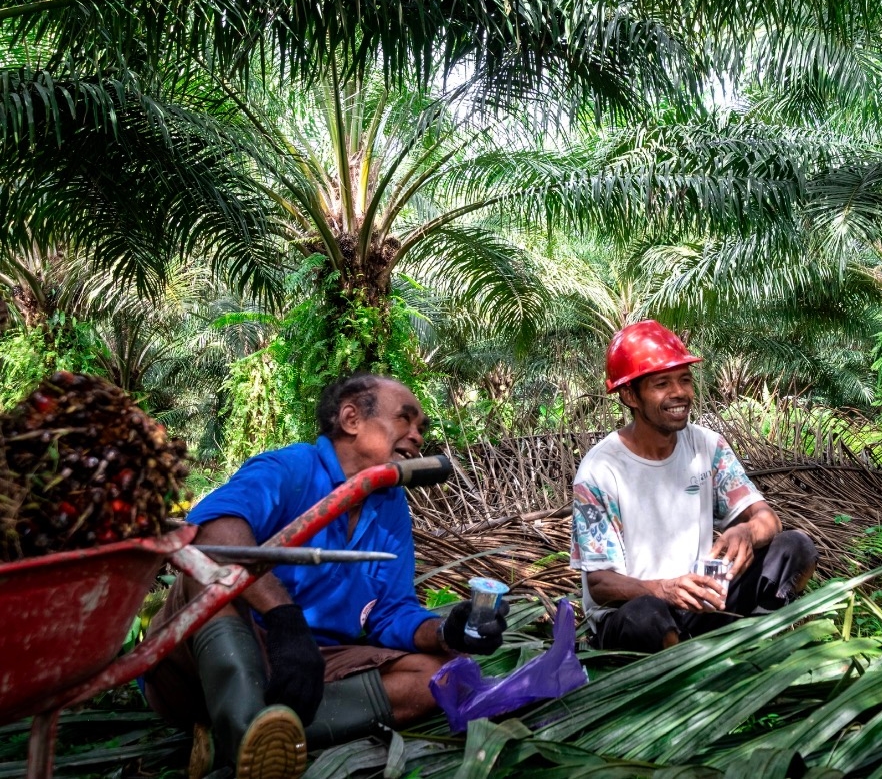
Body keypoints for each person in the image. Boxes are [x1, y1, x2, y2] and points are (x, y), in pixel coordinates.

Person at [144, 375, 507, 779]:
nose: (417, 436)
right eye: (405, 420)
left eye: (421, 428)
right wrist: (284, 617)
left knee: (441, 676)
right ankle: (246, 737)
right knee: (210, 578)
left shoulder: (389, 505)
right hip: (203, 667)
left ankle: (258, 740)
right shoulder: (289, 468)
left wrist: (445, 632)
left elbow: (390, 613)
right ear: (351, 418)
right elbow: (210, 535)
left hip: (307, 669)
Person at [570, 319, 819, 653]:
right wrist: (663, 589)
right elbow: (599, 584)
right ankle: (687, 660)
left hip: (702, 598)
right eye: (662, 383)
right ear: (630, 395)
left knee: (795, 547)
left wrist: (746, 532)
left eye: (685, 380)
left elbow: (766, 519)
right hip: (640, 612)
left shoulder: (707, 446)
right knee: (647, 617)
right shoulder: (600, 472)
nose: (680, 393)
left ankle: (753, 637)